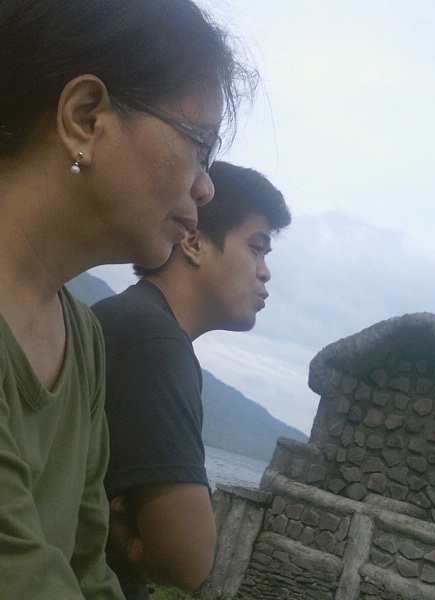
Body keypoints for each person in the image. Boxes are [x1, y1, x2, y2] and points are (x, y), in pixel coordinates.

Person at [0, 1, 253, 598]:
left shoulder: (83, 339)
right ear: (86, 117)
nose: (206, 186)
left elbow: (87, 565)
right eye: (199, 145)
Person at [92, 161, 291, 599]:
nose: (265, 272)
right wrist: (146, 551)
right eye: (256, 248)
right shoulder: (155, 343)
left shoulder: (125, 319)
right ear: (194, 242)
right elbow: (189, 562)